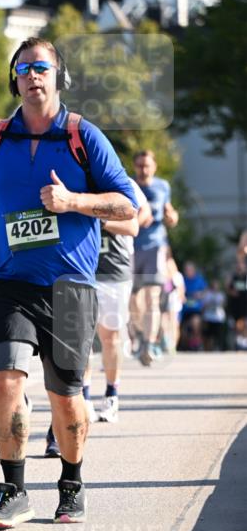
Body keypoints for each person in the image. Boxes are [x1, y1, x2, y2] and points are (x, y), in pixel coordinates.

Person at [0, 38, 137, 527]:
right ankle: (13, 489)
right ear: (13, 79)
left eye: (42, 67)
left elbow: (128, 207)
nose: (33, 75)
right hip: (11, 281)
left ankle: (71, 482)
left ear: (59, 77)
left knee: (66, 393)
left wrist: (74, 202)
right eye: (24, 68)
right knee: (6, 377)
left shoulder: (83, 136)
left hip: (70, 288)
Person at [82, 177, 149, 424]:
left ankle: (111, 395)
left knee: (110, 336)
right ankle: (84, 398)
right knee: (81, 339)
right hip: (81, 268)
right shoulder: (76, 177)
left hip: (113, 269)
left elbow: (134, 225)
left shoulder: (122, 182)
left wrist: (99, 219)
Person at [129, 150, 178, 366]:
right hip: (130, 248)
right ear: (134, 167)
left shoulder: (163, 186)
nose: (143, 169)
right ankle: (140, 336)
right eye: (139, 165)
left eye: (147, 165)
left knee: (152, 297)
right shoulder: (128, 185)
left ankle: (148, 344)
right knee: (133, 301)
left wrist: (172, 217)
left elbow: (169, 211)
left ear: (154, 167)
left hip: (155, 247)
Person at [160, 248, 185, 353]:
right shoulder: (160, 266)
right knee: (164, 321)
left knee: (173, 322)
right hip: (165, 296)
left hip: (173, 297)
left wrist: (180, 295)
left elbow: (179, 286)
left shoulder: (172, 269)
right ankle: (166, 342)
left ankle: (173, 345)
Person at [226, 232, 247, 350]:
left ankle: (243, 338)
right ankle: (240, 340)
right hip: (238, 299)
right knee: (239, 319)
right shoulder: (236, 271)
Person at [201, 279, 226, 351]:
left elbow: (223, 304)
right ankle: (207, 348)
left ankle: (218, 348)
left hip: (218, 318)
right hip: (208, 318)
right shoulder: (207, 294)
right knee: (208, 335)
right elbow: (204, 305)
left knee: (218, 335)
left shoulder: (221, 295)